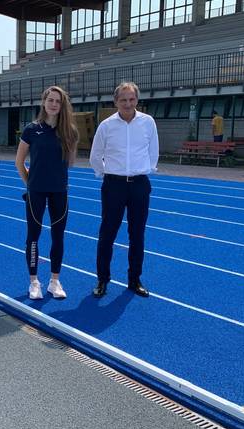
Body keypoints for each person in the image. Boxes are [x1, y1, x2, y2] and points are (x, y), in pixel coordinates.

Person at [89, 82, 159, 299]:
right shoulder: (106, 126)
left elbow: (153, 151)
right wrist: (107, 175)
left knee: (137, 235)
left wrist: (145, 170)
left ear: (137, 100)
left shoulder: (148, 123)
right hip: (114, 185)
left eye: (131, 99)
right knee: (107, 234)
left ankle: (134, 279)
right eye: (123, 100)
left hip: (139, 184)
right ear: (116, 101)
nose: (128, 103)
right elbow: (95, 155)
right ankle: (102, 280)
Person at [15, 86, 78, 300]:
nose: (53, 104)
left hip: (60, 191)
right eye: (50, 100)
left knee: (58, 236)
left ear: (62, 105)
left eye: (57, 101)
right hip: (37, 192)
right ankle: (34, 281)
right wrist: (30, 183)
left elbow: (70, 162)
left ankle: (54, 280)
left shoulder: (69, 131)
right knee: (33, 236)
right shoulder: (31, 130)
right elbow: (19, 162)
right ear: (44, 102)